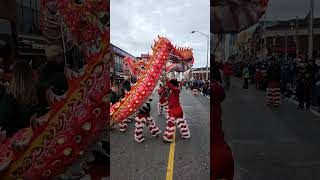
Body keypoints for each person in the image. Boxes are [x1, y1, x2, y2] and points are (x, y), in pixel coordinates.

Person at [0, 61, 39, 138]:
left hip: (16, 138)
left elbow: (4, 122)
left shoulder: (9, 96)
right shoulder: (37, 91)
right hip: (33, 135)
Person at [211, 56, 234, 180]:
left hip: (216, 157)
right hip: (222, 154)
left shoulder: (214, 90)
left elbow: (218, 92)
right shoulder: (216, 91)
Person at [162, 78, 190, 142]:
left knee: (172, 123)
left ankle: (169, 137)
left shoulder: (176, 89)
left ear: (173, 84)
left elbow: (172, 87)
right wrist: (164, 103)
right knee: (181, 123)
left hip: (176, 109)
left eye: (171, 83)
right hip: (174, 109)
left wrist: (166, 81)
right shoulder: (172, 91)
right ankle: (185, 135)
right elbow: (169, 100)